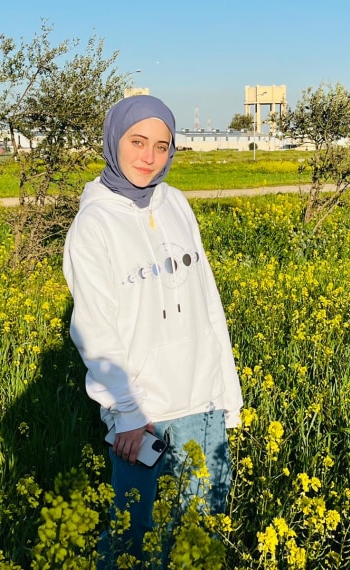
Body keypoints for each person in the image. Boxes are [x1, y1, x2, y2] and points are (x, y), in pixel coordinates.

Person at [62, 95, 243, 565]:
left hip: (200, 401)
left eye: (162, 146)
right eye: (137, 141)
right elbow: (94, 327)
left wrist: (227, 394)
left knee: (201, 535)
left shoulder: (177, 203)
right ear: (112, 141)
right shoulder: (93, 223)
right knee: (135, 540)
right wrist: (124, 411)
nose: (149, 157)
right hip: (142, 415)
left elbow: (208, 304)